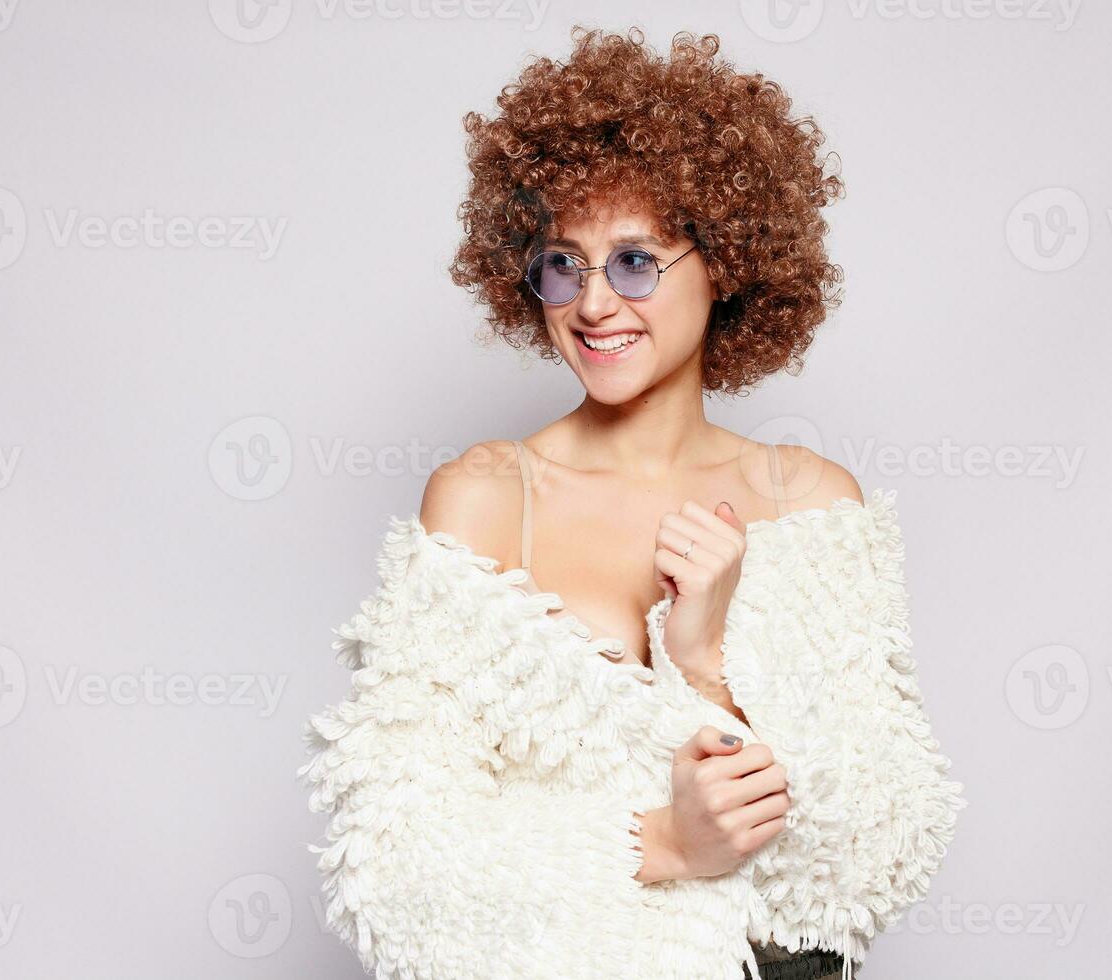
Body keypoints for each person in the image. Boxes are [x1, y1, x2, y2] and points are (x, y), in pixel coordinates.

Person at [300, 26, 964, 980]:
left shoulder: (810, 502)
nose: (593, 305)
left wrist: (702, 661)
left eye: (636, 261)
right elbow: (400, 868)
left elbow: (877, 853)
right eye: (562, 264)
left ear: (726, 260)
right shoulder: (489, 500)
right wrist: (662, 845)